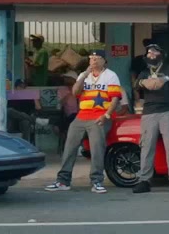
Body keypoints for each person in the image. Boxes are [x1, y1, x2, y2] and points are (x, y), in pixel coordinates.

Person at [45, 50, 125, 194]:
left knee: (96, 148)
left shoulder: (110, 75)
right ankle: (63, 181)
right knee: (69, 147)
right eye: (91, 58)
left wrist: (106, 115)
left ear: (104, 61)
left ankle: (97, 181)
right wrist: (84, 75)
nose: (93, 61)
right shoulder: (84, 74)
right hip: (82, 115)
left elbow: (115, 98)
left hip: (100, 115)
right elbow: (75, 92)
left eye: (96, 58)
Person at [132, 43, 169, 194]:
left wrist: (161, 80)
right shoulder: (144, 72)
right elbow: (136, 84)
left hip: (168, 111)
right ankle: (144, 180)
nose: (151, 54)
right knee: (146, 147)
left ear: (161, 54)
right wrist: (144, 82)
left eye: (155, 52)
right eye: (149, 52)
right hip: (149, 113)